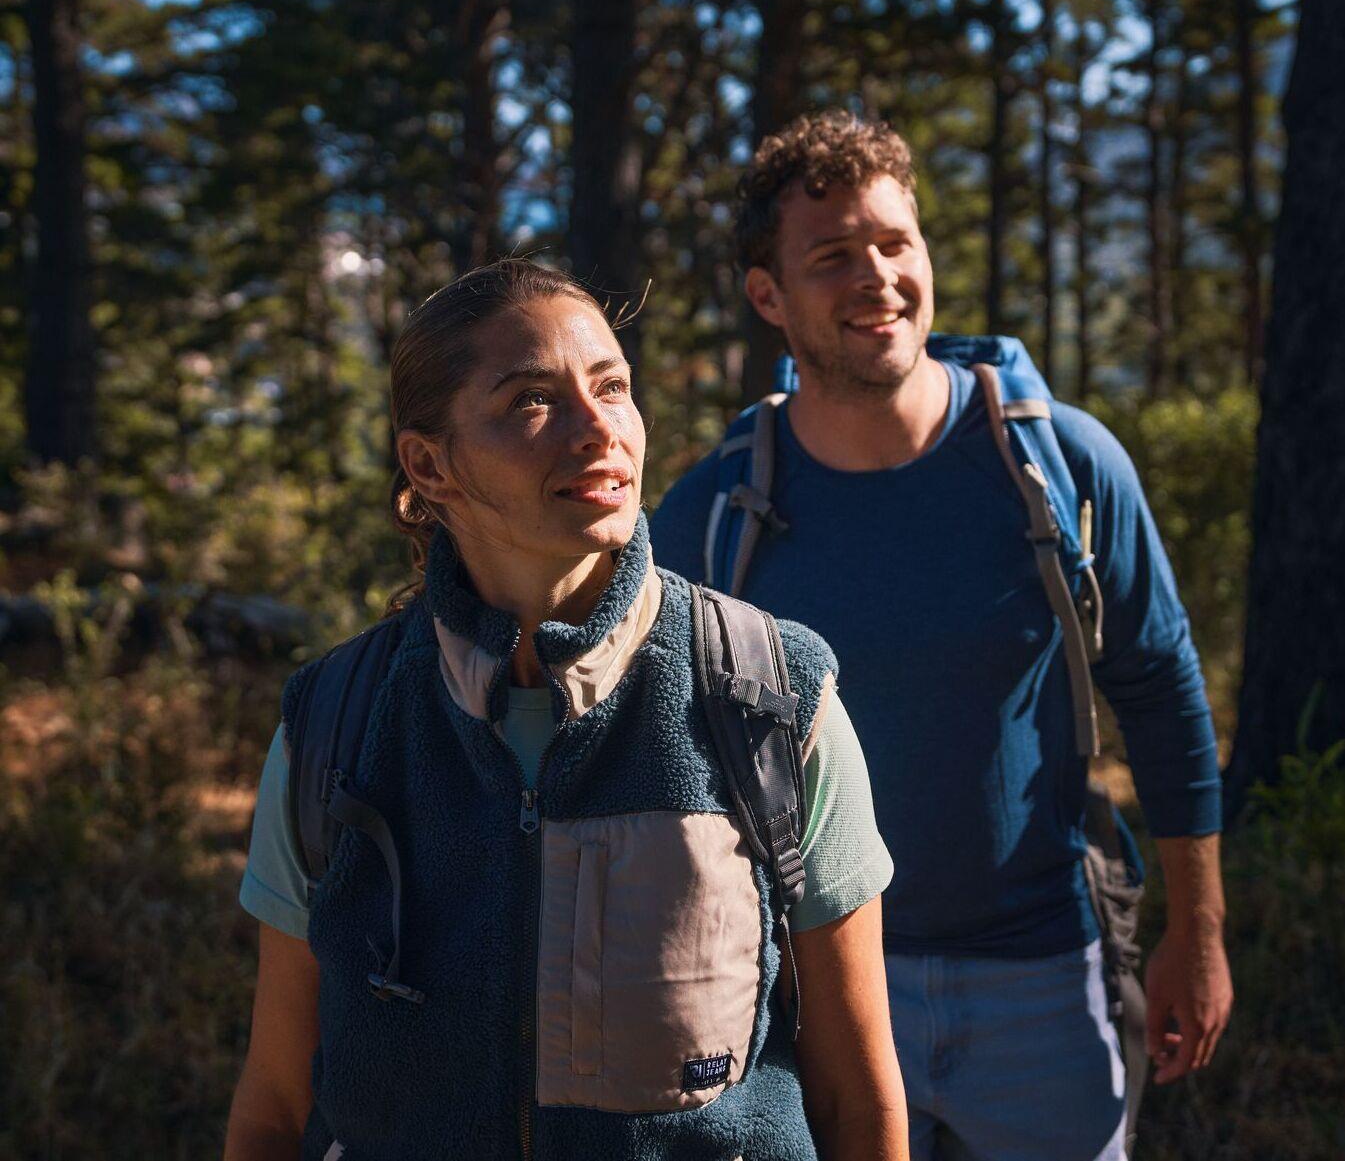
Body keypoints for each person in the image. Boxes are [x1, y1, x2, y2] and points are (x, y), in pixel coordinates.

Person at [224, 257, 909, 1161]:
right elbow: (275, 1101)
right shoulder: (334, 722)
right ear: (428, 465)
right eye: (531, 400)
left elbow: (856, 1098)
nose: (599, 429)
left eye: (612, 385)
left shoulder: (771, 694)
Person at [651, 111, 1234, 1161]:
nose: (876, 274)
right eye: (833, 256)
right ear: (768, 296)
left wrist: (1197, 930)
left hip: (1048, 977)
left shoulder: (1062, 468)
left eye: (895, 243)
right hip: (817, 994)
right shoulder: (710, 516)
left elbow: (1160, 688)